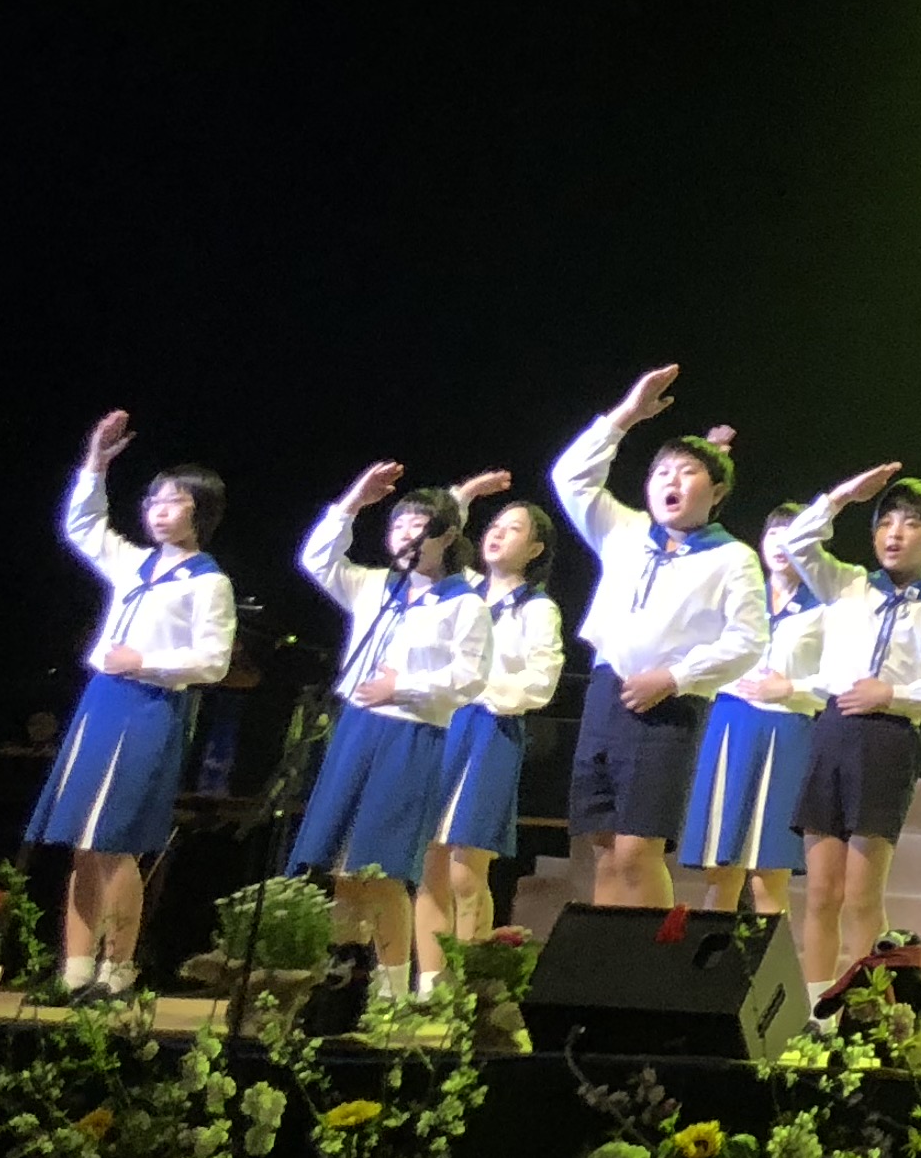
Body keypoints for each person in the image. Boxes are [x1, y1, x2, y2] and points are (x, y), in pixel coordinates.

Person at [29, 412, 235, 1003]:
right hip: (102, 701)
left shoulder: (208, 583)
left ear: (200, 511)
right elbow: (81, 525)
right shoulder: (131, 563)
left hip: (151, 708)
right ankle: (73, 970)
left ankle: (117, 970)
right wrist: (95, 465)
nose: (158, 511)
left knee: (117, 842)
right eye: (152, 501)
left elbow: (213, 662)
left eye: (173, 502)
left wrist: (143, 661)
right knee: (83, 841)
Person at [552, 365, 770, 908]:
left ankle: (648, 956)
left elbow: (748, 640)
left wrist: (674, 677)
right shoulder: (624, 531)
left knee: (637, 851)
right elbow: (570, 478)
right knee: (604, 847)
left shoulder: (733, 557)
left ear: (717, 491)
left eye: (688, 472)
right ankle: (607, 955)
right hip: (607, 692)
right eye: (662, 471)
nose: (671, 481)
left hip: (670, 706)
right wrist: (626, 416)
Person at [292, 463, 499, 1002]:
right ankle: (340, 985)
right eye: (397, 524)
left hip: (412, 736)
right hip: (356, 728)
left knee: (381, 869)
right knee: (341, 867)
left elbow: (470, 677)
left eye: (416, 525)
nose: (403, 534)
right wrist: (351, 503)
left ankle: (391, 993)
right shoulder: (375, 587)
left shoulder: (465, 603)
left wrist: (402, 686)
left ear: (446, 536)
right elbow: (316, 560)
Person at [767, 464, 921, 986]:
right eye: (886, 522)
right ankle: (818, 1007)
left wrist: (892, 695)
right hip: (833, 731)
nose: (894, 534)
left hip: (888, 739)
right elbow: (795, 541)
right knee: (821, 892)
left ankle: (865, 1008)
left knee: (862, 896)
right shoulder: (848, 584)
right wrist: (842, 496)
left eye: (910, 524)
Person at [425, 491, 565, 976]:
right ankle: (427, 984)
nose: (498, 533)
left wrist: (478, 686)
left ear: (535, 549)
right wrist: (462, 498)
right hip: (443, 724)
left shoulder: (537, 609)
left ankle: (467, 984)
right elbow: (437, 539)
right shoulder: (462, 590)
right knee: (429, 862)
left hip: (491, 728)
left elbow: (541, 683)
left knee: (466, 870)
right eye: (495, 525)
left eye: (515, 529)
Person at [678, 499, 824, 948]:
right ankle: (705, 969)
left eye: (793, 534)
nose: (780, 544)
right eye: (773, 533)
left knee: (768, 875)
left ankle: (769, 971)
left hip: (787, 729)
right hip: (730, 723)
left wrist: (793, 688)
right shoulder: (741, 595)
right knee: (721, 870)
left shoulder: (825, 606)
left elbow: (839, 681)